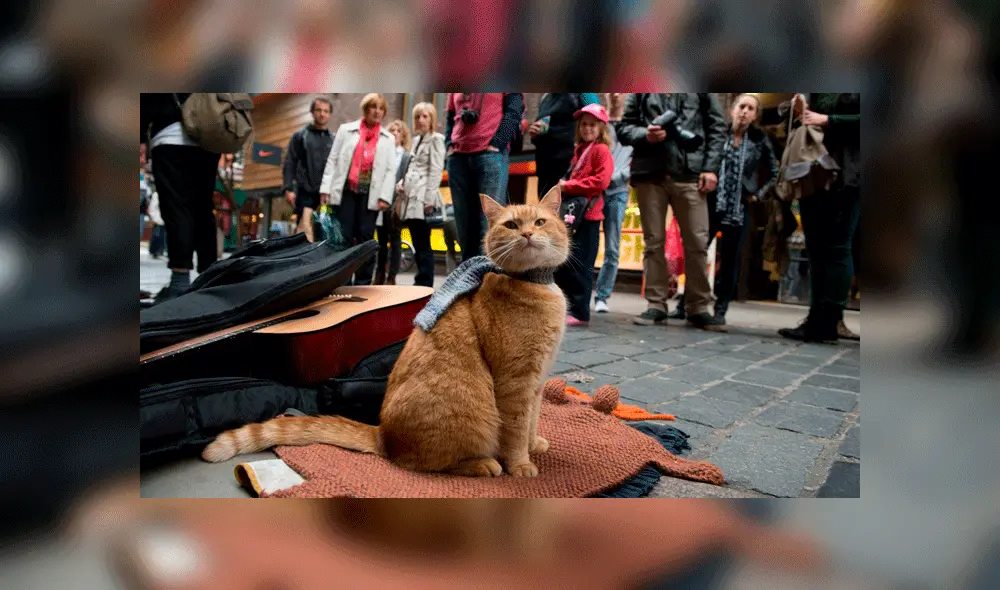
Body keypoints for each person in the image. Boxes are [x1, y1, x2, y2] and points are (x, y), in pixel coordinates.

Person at [616, 93, 728, 330]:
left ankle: (698, 307)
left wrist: (710, 168)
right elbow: (624, 128)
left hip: (690, 174)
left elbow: (717, 128)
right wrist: (645, 135)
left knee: (697, 242)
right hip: (650, 174)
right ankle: (656, 304)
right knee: (653, 242)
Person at [672, 93, 779, 327]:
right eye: (742, 106)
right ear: (732, 110)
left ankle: (721, 309)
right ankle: (685, 305)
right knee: (697, 254)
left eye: (750, 108)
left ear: (755, 115)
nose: (745, 112)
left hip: (739, 209)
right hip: (712, 203)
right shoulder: (719, 134)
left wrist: (757, 194)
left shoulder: (759, 139)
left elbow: (774, 172)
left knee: (731, 261)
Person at [778, 93, 861, 343]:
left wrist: (829, 119)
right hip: (811, 169)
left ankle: (830, 321)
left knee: (837, 247)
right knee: (815, 248)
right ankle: (815, 318)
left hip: (847, 171)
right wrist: (796, 108)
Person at [140, 93, 222, 301]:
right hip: (209, 135)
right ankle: (209, 282)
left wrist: (140, 137)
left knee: (177, 207)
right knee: (203, 208)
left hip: (170, 134)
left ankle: (180, 282)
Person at [319, 93, 397, 286]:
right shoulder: (346, 130)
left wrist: (385, 197)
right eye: (373, 107)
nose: (377, 112)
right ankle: (341, 281)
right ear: (365, 109)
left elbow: (390, 170)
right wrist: (326, 189)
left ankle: (363, 282)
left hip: (371, 196)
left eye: (381, 108)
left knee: (365, 238)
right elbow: (333, 159)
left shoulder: (388, 139)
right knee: (343, 237)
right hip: (345, 192)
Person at [444, 92, 524, 261]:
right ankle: (468, 273)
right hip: (458, 157)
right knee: (463, 224)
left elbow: (515, 108)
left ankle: (488, 274)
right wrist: (449, 145)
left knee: (490, 222)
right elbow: (450, 116)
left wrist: (498, 143)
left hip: (490, 155)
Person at [554, 104, 614, 327]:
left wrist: (569, 185)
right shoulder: (581, 149)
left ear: (601, 128)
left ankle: (580, 312)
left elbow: (601, 181)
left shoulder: (601, 150)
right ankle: (569, 308)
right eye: (584, 124)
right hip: (577, 215)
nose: (587, 128)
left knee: (581, 265)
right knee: (569, 263)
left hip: (588, 216)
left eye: (592, 125)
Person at [396, 103, 446, 288]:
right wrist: (402, 183)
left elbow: (436, 171)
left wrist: (429, 200)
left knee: (423, 243)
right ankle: (421, 279)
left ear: (432, 119)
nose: (421, 120)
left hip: (423, 198)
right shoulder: (416, 140)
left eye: (425, 116)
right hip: (411, 197)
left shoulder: (436, 139)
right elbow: (412, 167)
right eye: (417, 117)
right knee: (417, 241)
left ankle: (425, 282)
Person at [594, 92, 633, 314]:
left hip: (617, 192)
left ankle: (602, 296)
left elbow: (634, 161)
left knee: (612, 246)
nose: (616, 94)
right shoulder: (600, 123)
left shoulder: (631, 125)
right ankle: (580, 292)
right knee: (587, 243)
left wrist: (614, 177)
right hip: (595, 192)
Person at [528, 93, 602, 199]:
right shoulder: (545, 97)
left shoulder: (583, 93)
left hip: (568, 167)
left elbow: (598, 120)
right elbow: (545, 127)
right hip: (545, 167)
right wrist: (534, 133)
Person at [282, 96, 336, 243]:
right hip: (305, 193)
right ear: (312, 112)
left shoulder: (334, 140)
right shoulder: (300, 136)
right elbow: (290, 162)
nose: (322, 114)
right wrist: (288, 188)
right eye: (319, 110)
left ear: (330, 114)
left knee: (324, 234)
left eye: (326, 111)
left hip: (326, 195)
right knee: (304, 234)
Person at [374, 119, 411, 285]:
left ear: (403, 136)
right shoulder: (382, 154)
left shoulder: (407, 156)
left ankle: (392, 277)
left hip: (397, 204)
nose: (395, 133)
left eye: (398, 131)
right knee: (381, 241)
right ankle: (379, 274)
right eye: (392, 130)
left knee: (395, 240)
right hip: (381, 203)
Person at [147, 190, 167, 259]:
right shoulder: (156, 195)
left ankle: (161, 250)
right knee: (157, 235)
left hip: (165, 219)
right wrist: (154, 218)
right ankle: (154, 251)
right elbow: (152, 207)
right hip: (158, 219)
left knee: (163, 236)